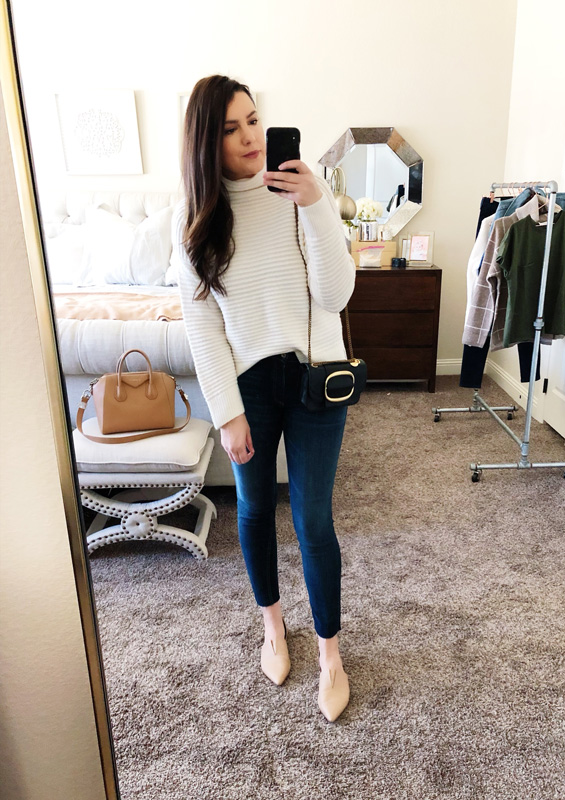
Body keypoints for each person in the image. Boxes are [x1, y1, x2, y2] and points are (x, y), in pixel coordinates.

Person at [173, 75, 356, 722]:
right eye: (231, 128)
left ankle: (331, 654)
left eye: (254, 120)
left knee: (313, 520)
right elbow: (202, 327)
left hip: (315, 376)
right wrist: (226, 413)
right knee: (253, 509)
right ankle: (273, 628)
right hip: (249, 384)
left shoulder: (303, 191)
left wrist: (316, 205)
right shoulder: (195, 222)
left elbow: (335, 295)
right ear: (206, 142)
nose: (251, 137)